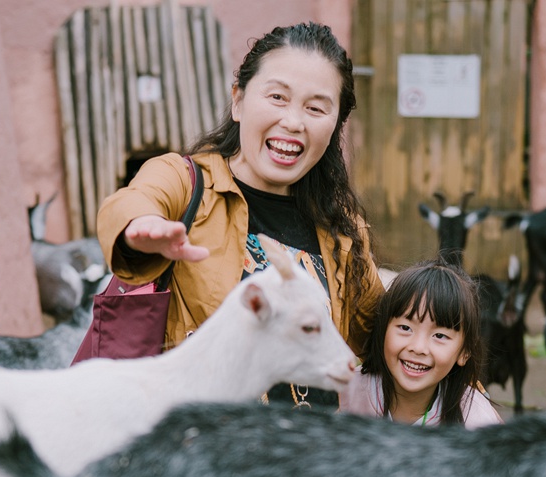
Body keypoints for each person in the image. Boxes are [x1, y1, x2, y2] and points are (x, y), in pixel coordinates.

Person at [95, 21, 384, 411]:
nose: (294, 122)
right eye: (278, 97)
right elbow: (133, 200)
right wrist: (140, 226)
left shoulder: (342, 226)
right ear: (238, 100)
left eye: (315, 107)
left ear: (334, 126)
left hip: (308, 461)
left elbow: (379, 332)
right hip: (203, 455)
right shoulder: (183, 180)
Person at [340, 259, 503, 428]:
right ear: (383, 331)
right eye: (405, 327)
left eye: (439, 335)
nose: (418, 348)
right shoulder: (344, 395)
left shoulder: (476, 421)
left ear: (464, 352)